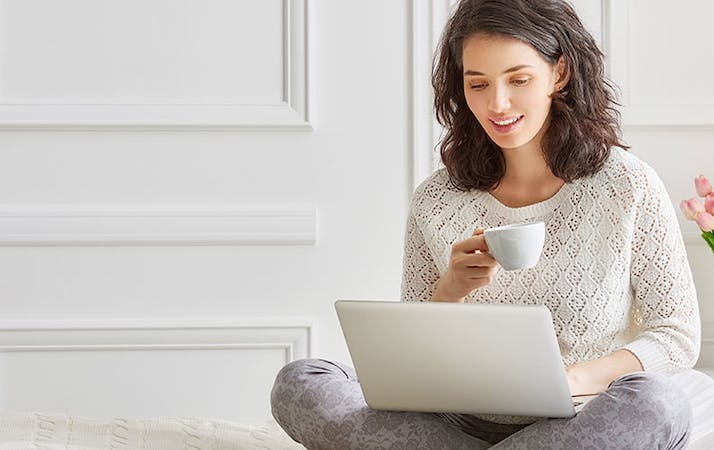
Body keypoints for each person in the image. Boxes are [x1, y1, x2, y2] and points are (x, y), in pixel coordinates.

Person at [270, 0, 701, 448]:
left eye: (518, 79)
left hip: (580, 418)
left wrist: (572, 380)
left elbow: (677, 334)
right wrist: (449, 291)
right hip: (455, 421)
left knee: (658, 405)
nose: (497, 104)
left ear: (560, 73)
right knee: (301, 382)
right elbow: (411, 358)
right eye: (478, 84)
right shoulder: (437, 199)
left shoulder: (626, 185)